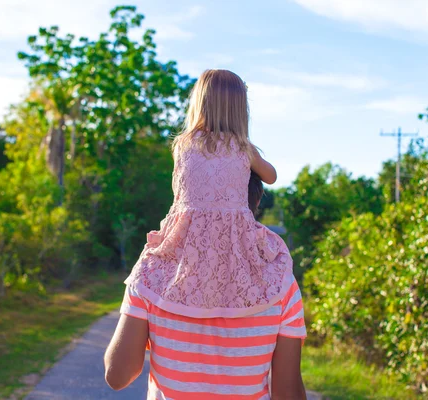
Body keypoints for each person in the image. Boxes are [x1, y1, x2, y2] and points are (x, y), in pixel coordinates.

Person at [104, 69, 307, 400]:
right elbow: (270, 175)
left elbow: (117, 376)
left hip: (186, 236)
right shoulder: (278, 283)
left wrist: (147, 265)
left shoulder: (153, 275)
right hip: (237, 242)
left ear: (198, 102)